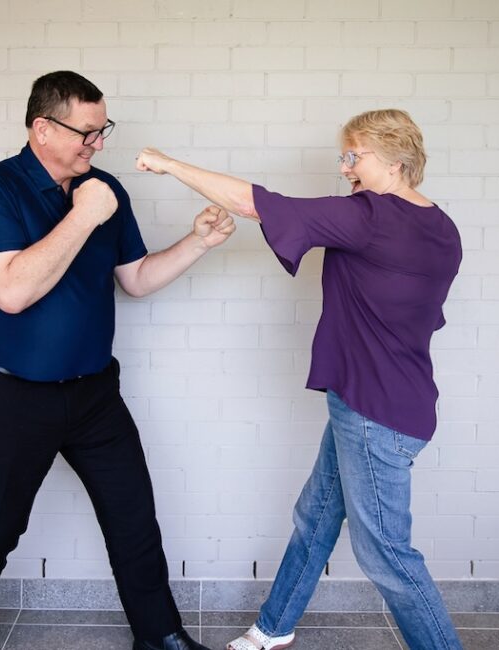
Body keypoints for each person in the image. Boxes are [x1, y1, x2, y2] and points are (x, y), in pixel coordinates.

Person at [135, 109, 463, 650]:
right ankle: (273, 627)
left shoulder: (371, 216)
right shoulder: (442, 228)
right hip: (386, 401)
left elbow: (255, 203)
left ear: (395, 160)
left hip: (375, 412)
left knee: (386, 553)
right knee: (317, 515)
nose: (345, 168)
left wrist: (169, 164)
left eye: (353, 156)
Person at [0, 70, 234, 650]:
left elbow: (137, 279)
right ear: (42, 129)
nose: (98, 144)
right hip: (10, 397)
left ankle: (161, 636)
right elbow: (11, 292)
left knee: (134, 519)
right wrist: (83, 214)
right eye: (88, 132)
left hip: (95, 394)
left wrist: (198, 242)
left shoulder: (105, 190)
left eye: (103, 130)